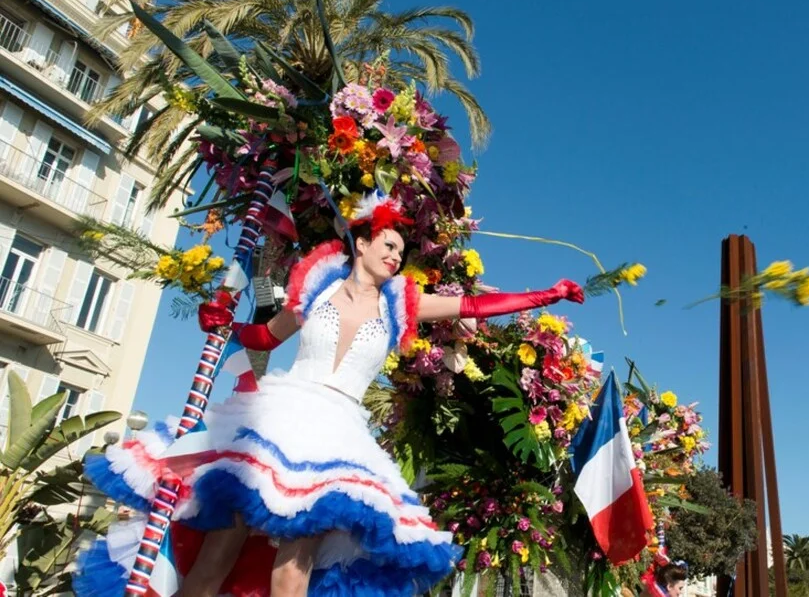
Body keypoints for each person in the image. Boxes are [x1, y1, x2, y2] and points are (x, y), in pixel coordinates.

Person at [75, 191, 585, 597]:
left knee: (293, 569)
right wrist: (223, 323)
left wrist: (547, 295)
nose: (395, 257)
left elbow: (472, 306)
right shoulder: (316, 286)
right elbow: (265, 338)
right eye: (388, 246)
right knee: (216, 555)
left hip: (337, 436)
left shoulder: (401, 304)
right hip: (274, 421)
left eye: (401, 252)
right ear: (361, 244)